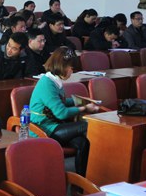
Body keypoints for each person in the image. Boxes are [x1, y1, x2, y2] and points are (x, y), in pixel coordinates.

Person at [29, 47, 99, 176]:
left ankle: (81, 181)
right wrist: (84, 108)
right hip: (44, 129)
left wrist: (82, 101)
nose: (72, 71)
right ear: (64, 67)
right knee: (87, 125)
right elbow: (61, 113)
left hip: (55, 125)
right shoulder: (47, 84)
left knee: (82, 143)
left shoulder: (54, 80)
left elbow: (60, 102)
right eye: (71, 68)